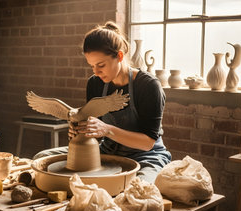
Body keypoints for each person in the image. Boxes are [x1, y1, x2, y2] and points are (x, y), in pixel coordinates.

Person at [33, 21, 171, 184]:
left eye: (101, 65)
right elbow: (93, 130)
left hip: (146, 155)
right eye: (92, 66)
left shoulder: (148, 85)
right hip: (108, 151)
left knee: (138, 188)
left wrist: (106, 129)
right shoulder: (95, 83)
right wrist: (81, 131)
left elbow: (148, 143)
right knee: (41, 158)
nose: (96, 72)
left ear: (119, 56)